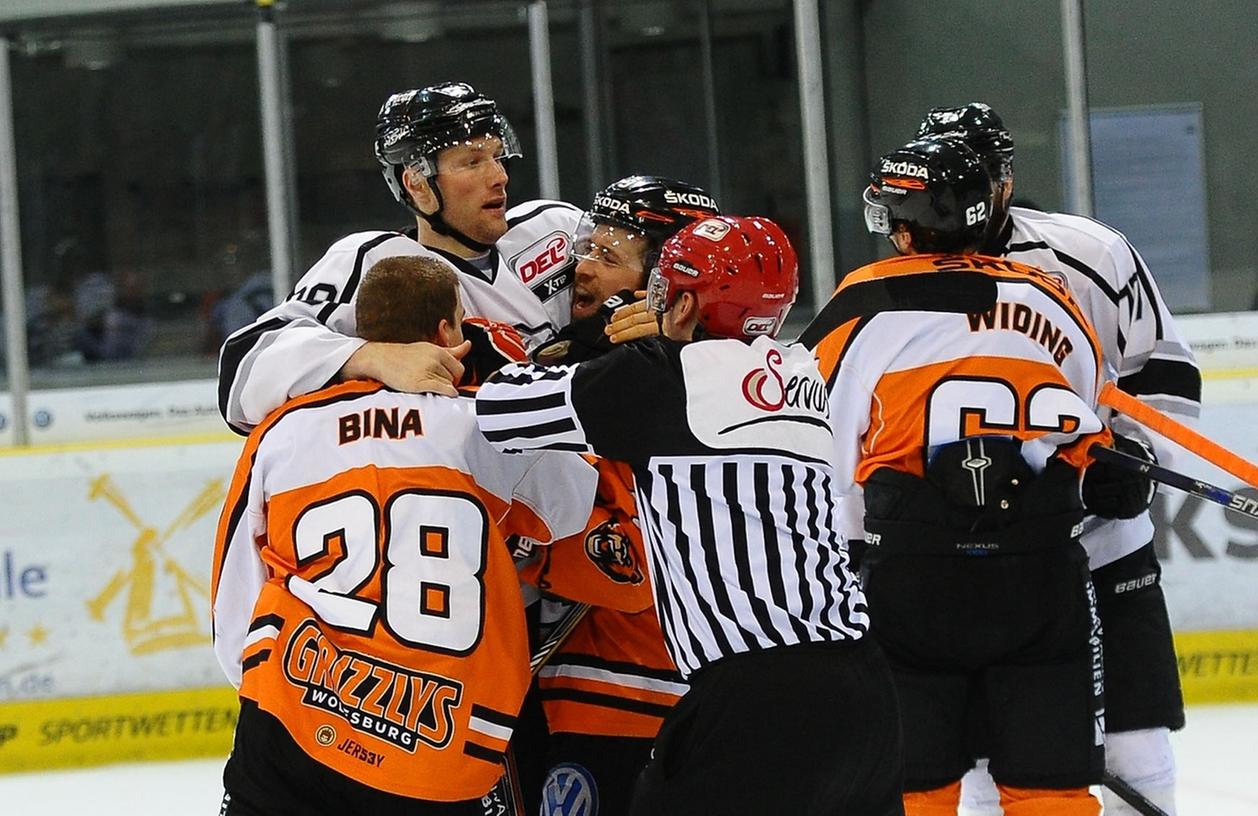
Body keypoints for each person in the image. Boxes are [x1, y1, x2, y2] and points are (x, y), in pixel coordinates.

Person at [476, 215, 904, 816]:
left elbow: (499, 411)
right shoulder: (800, 370)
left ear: (680, 302)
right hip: (864, 694)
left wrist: (592, 343)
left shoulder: (663, 378)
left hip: (756, 700)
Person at [813, 136, 1140, 815]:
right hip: (1037, 576)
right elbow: (1082, 432)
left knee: (913, 790)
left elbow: (823, 446)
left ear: (908, 223)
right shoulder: (1051, 297)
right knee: (1052, 791)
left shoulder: (863, 301)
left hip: (913, 577)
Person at [210, 255, 598, 815]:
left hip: (288, 716)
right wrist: (512, 388)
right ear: (447, 332)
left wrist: (273, 695)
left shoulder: (281, 430)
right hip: (437, 738)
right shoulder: (481, 425)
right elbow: (573, 503)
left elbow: (234, 597)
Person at [916, 102, 1197, 816]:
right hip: (969, 556)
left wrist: (1133, 454)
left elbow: (1163, 370)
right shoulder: (894, 280)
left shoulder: (1089, 255)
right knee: (984, 752)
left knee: (1134, 742)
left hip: (1098, 542)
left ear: (1003, 179)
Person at [217, 80, 582, 434]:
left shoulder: (555, 230)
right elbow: (243, 370)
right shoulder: (376, 264)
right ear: (418, 185)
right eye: (472, 162)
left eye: (497, 156)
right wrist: (369, 357)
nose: (499, 176)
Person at [527, 176, 719, 816]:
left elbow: (629, 567)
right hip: (595, 689)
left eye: (609, 257)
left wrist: (529, 553)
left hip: (635, 693)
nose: (581, 268)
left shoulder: (690, 381)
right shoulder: (578, 359)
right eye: (587, 246)